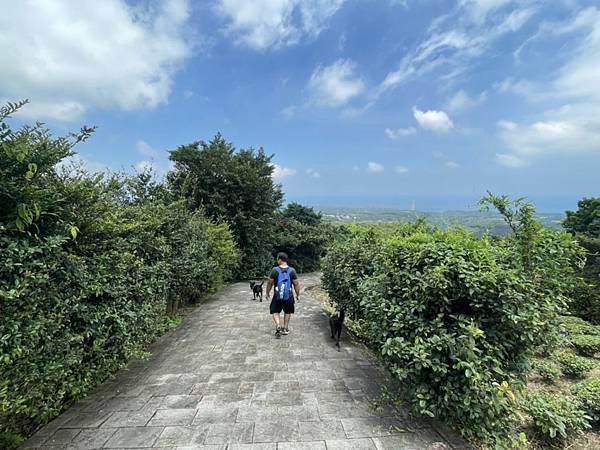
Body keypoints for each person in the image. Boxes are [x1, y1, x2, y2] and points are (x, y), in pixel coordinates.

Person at [266, 252, 300, 338]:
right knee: (288, 311)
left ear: (280, 260)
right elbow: (296, 284)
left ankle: (278, 325)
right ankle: (285, 328)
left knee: (275, 311)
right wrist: (297, 294)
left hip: (277, 296)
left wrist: (267, 292)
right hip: (288, 296)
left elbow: (269, 283)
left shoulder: (274, 270)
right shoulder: (292, 270)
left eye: (277, 259)